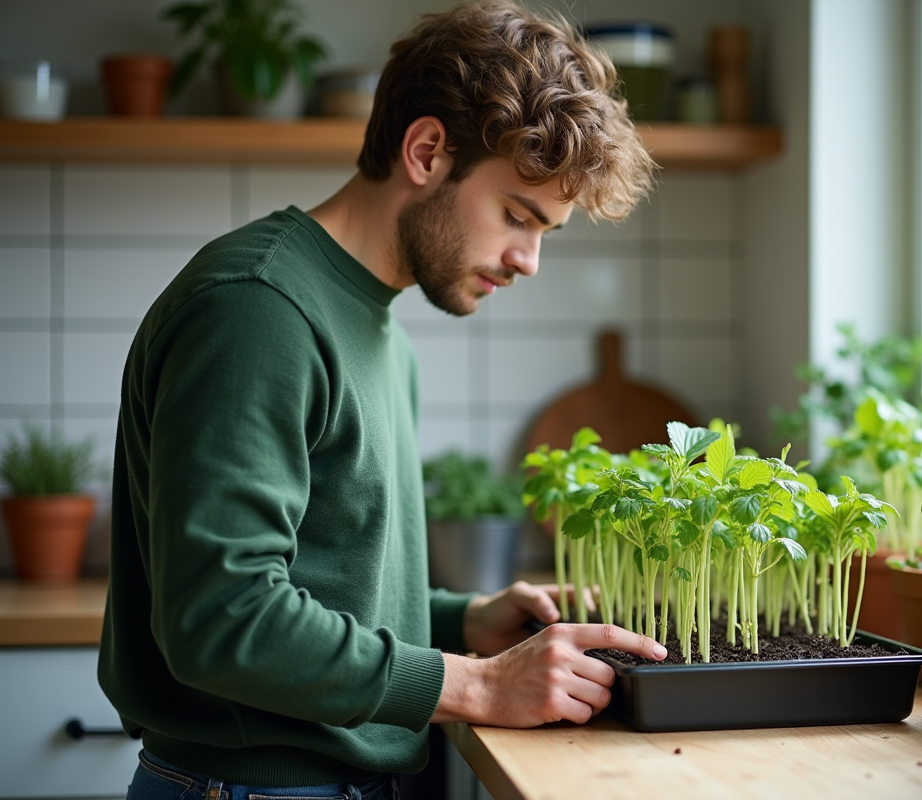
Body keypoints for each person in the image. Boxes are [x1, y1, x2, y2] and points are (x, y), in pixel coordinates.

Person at [98, 1, 662, 796]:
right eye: (516, 215)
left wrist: (465, 619)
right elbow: (223, 619)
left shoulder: (377, 324)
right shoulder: (259, 310)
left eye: (546, 232)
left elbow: (328, 584)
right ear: (427, 152)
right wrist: (478, 685)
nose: (529, 260)